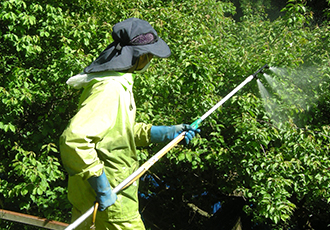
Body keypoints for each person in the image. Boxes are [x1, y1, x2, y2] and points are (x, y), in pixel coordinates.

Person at [59, 18, 200, 230]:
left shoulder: (115, 81)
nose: (150, 60)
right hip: (111, 201)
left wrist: (164, 133)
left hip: (90, 200)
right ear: (139, 56)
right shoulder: (111, 88)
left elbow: (115, 132)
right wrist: (102, 187)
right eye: (150, 55)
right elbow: (74, 139)